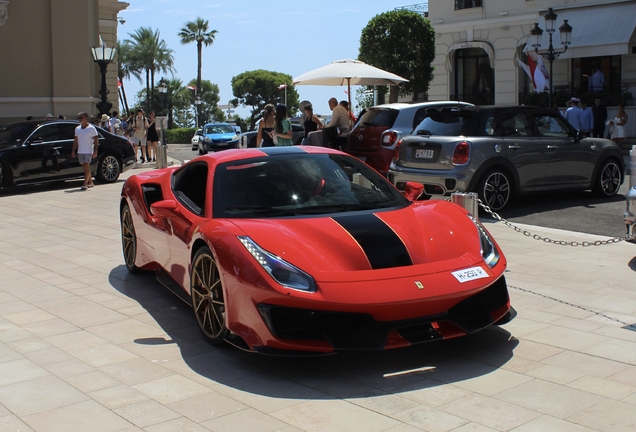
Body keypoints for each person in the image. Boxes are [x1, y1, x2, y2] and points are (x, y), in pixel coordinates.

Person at [71, 112, 98, 190]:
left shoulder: (91, 128)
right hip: (80, 151)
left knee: (86, 166)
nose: (79, 119)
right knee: (85, 167)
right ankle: (90, 182)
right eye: (78, 118)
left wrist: (95, 151)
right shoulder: (77, 129)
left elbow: (96, 140)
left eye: (81, 117)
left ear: (86, 118)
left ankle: (85, 184)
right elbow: (76, 140)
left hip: (88, 150)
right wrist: (73, 150)